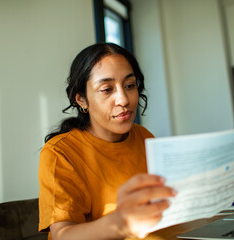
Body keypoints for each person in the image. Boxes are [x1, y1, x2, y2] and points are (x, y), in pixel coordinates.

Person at [38, 42, 176, 239]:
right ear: (82, 100)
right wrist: (121, 222)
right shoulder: (60, 152)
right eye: (106, 89)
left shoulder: (144, 136)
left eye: (130, 86)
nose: (124, 99)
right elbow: (63, 235)